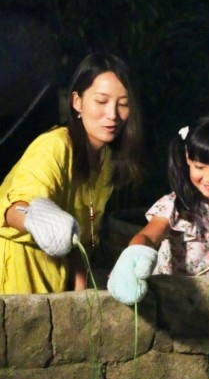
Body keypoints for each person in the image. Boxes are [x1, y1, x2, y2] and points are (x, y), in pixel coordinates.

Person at [0, 52, 143, 294]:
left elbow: (80, 240)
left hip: (57, 278)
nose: (113, 114)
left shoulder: (106, 158)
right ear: (77, 101)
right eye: (101, 101)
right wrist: (36, 216)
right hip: (17, 272)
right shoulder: (55, 145)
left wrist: (80, 290)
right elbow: (14, 208)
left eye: (123, 103)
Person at [108, 115, 209, 304]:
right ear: (187, 158)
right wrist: (133, 257)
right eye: (200, 166)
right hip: (176, 299)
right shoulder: (175, 204)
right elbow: (149, 236)